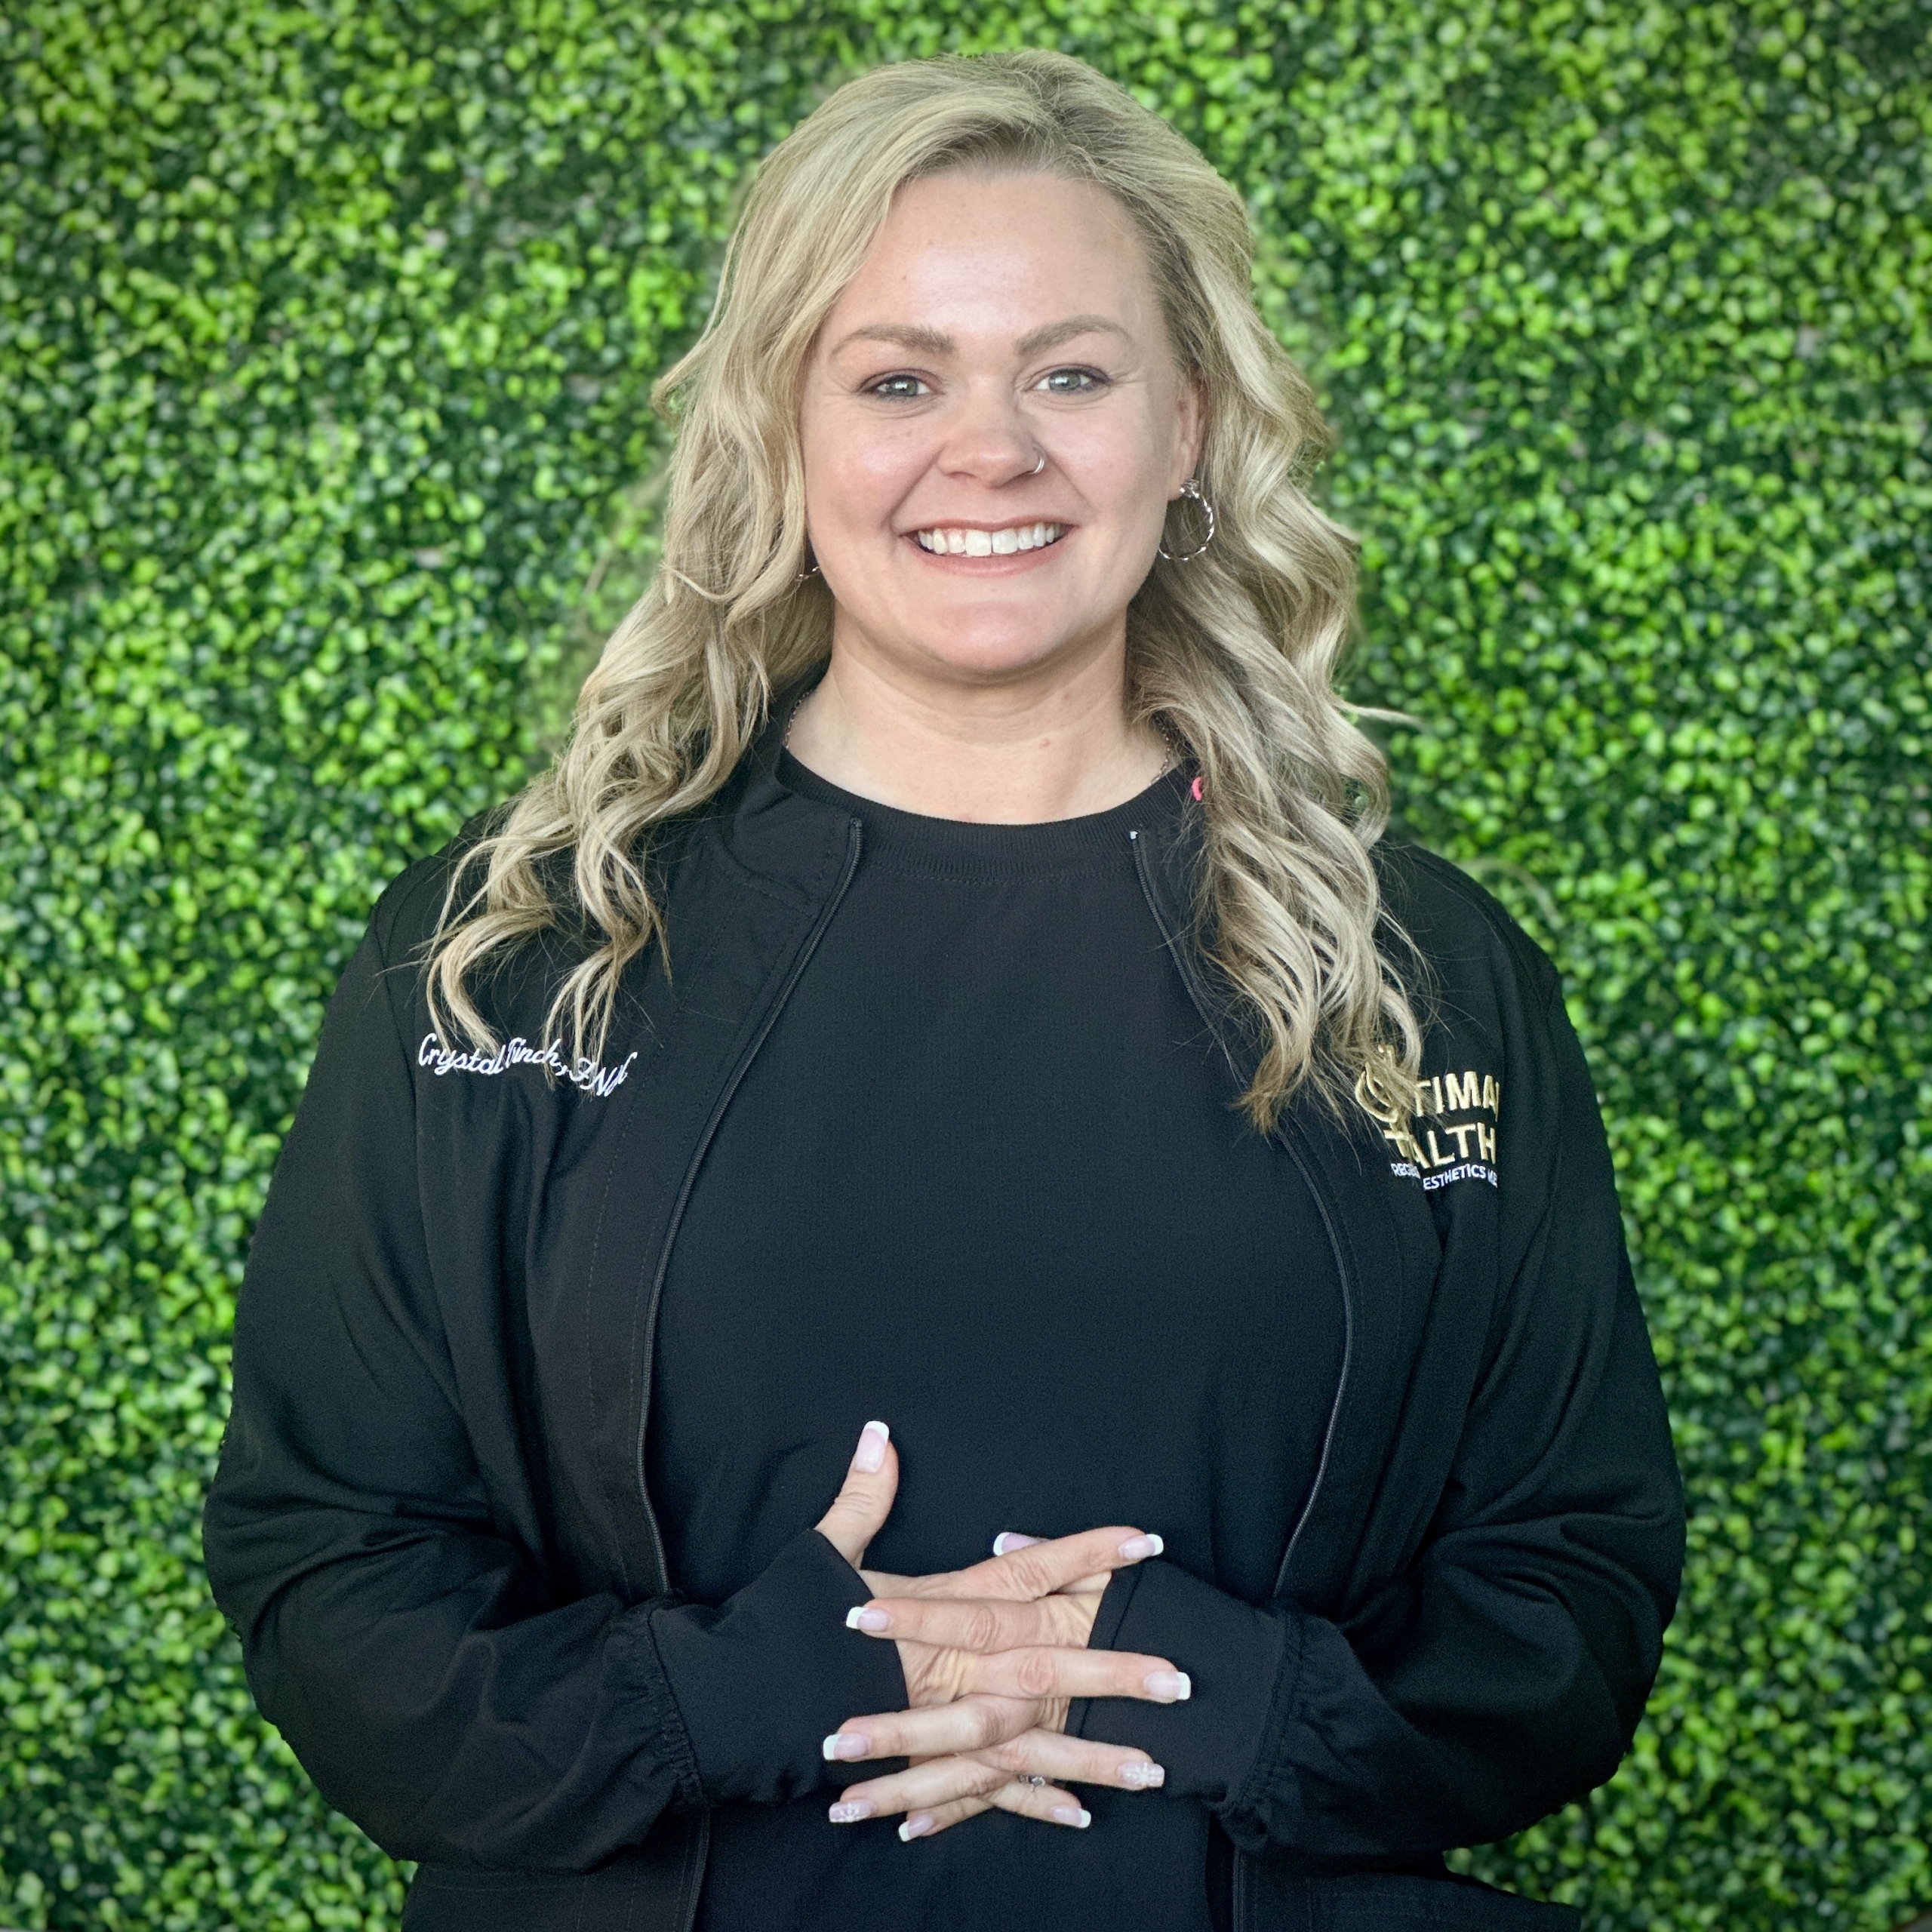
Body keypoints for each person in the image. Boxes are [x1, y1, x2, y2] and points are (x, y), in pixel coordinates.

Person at [202, 48, 1685, 1932]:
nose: (989, 449)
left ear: (1189, 426)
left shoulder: (1423, 970)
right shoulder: (515, 952)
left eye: (1068, 374)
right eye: (898, 378)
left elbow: (1569, 1571)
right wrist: (736, 1687)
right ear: (785, 430)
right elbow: (329, 1556)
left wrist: (1217, 1692)